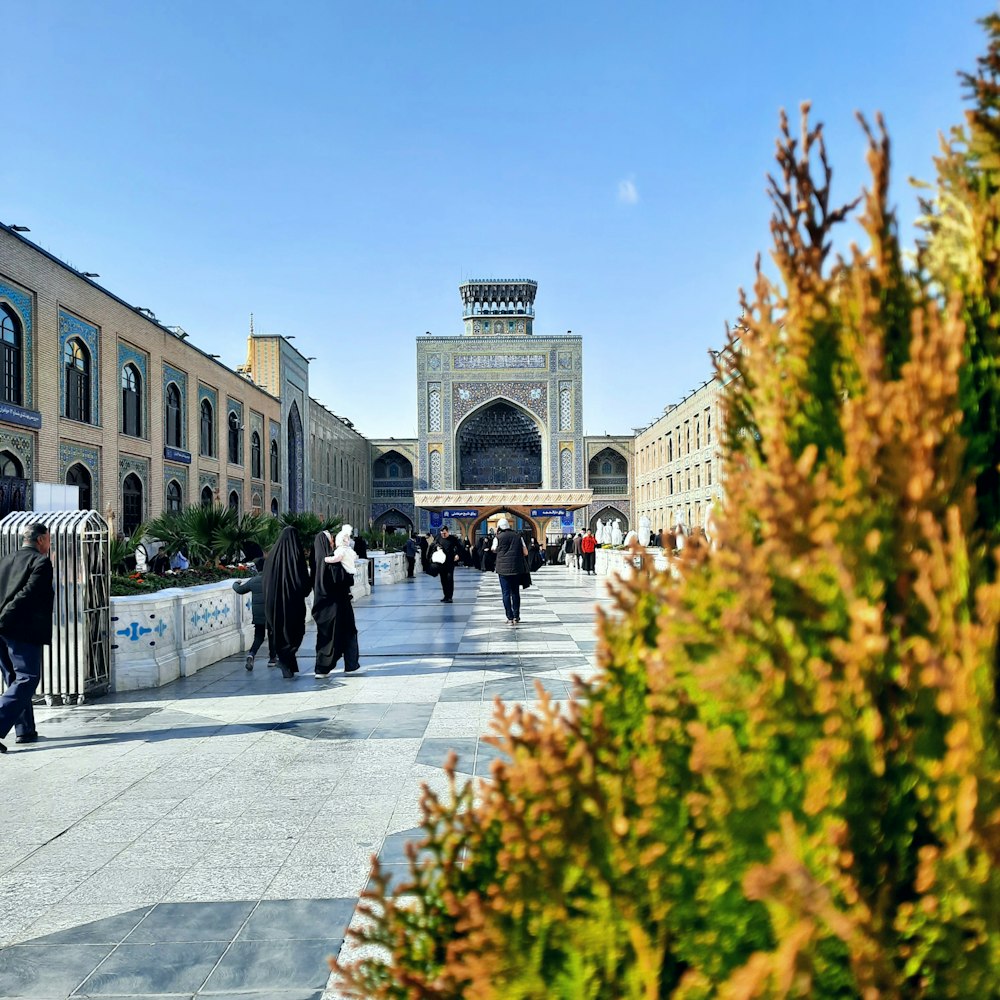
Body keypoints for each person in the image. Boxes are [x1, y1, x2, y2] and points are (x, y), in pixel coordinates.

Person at [0, 522, 53, 753]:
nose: (49, 544)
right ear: (40, 539)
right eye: (49, 539)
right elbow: (28, 594)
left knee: (14, 678)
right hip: (20, 629)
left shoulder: (5, 561)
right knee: (27, 678)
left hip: (2, 629)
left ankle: (25, 730)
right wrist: (5, 617)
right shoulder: (40, 562)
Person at [312, 524, 361, 675]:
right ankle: (351, 664)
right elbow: (345, 580)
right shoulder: (333, 566)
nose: (332, 543)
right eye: (330, 540)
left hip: (322, 607)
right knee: (348, 632)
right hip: (339, 605)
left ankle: (322, 668)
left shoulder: (317, 564)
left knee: (325, 637)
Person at [262, 526, 310, 679]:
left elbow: (265, 581)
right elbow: (303, 582)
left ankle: (286, 662)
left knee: (279, 633)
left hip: (273, 605)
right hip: (292, 604)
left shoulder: (271, 558)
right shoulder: (296, 556)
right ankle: (285, 661)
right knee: (295, 633)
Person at [232, 558, 272, 671]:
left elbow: (239, 590)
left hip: (258, 614)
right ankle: (272, 659)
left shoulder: (253, 581)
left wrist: (236, 583)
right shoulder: (273, 579)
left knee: (258, 637)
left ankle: (251, 654)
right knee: (272, 635)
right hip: (271, 613)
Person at [492, 518, 528, 625]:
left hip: (503, 570)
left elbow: (493, 549)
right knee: (515, 593)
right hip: (516, 569)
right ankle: (516, 616)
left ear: (499, 527)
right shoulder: (518, 536)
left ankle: (509, 617)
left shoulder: (497, 537)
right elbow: (525, 552)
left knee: (506, 593)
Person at [430, 525, 462, 602]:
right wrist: (437, 547)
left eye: (444, 533)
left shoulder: (452, 539)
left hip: (450, 561)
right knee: (443, 579)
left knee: (449, 579)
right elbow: (433, 545)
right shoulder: (438, 537)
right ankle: (445, 596)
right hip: (441, 562)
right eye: (442, 533)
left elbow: (460, 547)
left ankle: (450, 596)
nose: (443, 535)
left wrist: (457, 554)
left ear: (447, 531)